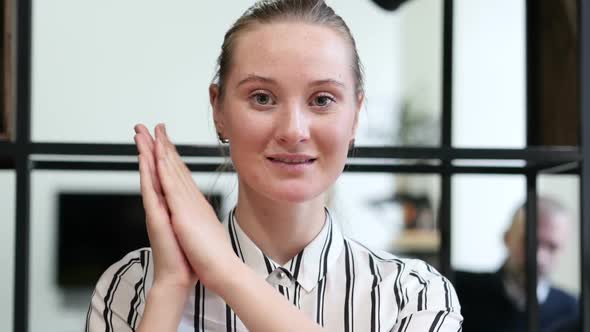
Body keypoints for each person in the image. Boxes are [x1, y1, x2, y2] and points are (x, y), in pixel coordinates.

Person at [85, 1, 462, 331]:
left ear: (356, 115)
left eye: (322, 99)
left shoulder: (413, 296)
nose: (293, 130)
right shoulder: (133, 285)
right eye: (262, 98)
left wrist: (227, 271)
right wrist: (170, 288)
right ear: (218, 109)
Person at [454, 197, 579, 332]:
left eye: (552, 247)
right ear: (507, 237)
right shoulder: (458, 293)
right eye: (529, 242)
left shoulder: (573, 310)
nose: (539, 257)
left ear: (563, 250)